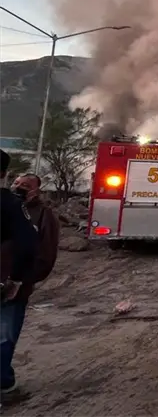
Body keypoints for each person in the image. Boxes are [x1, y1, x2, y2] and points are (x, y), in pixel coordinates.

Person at [0, 151, 39, 404]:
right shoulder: (9, 204)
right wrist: (15, 280)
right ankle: (4, 387)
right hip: (3, 285)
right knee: (3, 335)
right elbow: (28, 244)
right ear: (5, 174)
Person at [11, 173, 60, 290]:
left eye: (26, 186)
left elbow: (47, 250)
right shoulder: (5, 207)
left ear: (36, 191)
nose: (18, 188)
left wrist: (26, 280)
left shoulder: (44, 214)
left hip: (18, 283)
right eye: (16, 183)